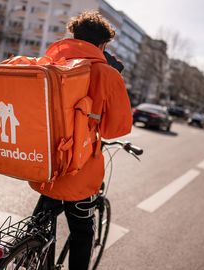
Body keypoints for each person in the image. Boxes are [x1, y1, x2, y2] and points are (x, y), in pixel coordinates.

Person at [28, 11, 132, 270]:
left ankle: (26, 252)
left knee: (40, 221)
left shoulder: (50, 63)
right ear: (102, 45)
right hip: (77, 167)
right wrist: (112, 77)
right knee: (83, 233)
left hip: (45, 160)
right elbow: (113, 130)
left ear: (74, 37)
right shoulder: (107, 74)